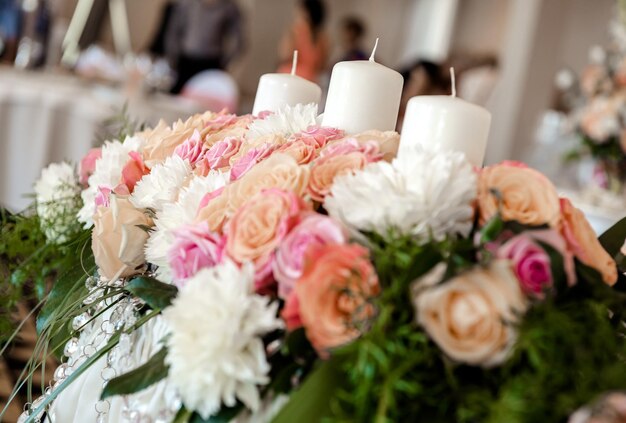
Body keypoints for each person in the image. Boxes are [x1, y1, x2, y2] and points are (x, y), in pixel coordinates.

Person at [165, 0, 244, 94]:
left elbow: (237, 38)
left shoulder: (229, 7)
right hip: (185, 61)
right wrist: (173, 57)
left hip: (212, 62)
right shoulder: (186, 4)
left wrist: (226, 62)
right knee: (177, 96)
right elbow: (173, 32)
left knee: (208, 97)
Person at [277, 0, 328, 83]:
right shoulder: (323, 36)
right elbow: (321, 65)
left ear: (305, 12)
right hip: (311, 81)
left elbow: (285, 55)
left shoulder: (294, 30)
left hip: (290, 78)